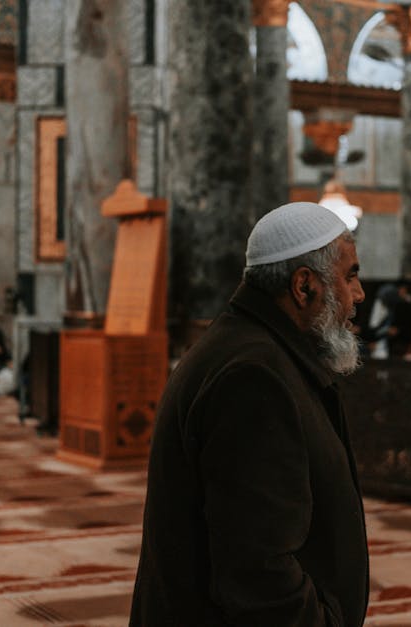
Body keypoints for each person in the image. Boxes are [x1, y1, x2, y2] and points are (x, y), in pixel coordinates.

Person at [131, 202, 369, 626]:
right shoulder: (254, 378)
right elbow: (257, 570)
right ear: (304, 286)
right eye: (349, 275)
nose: (359, 294)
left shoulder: (251, 352)